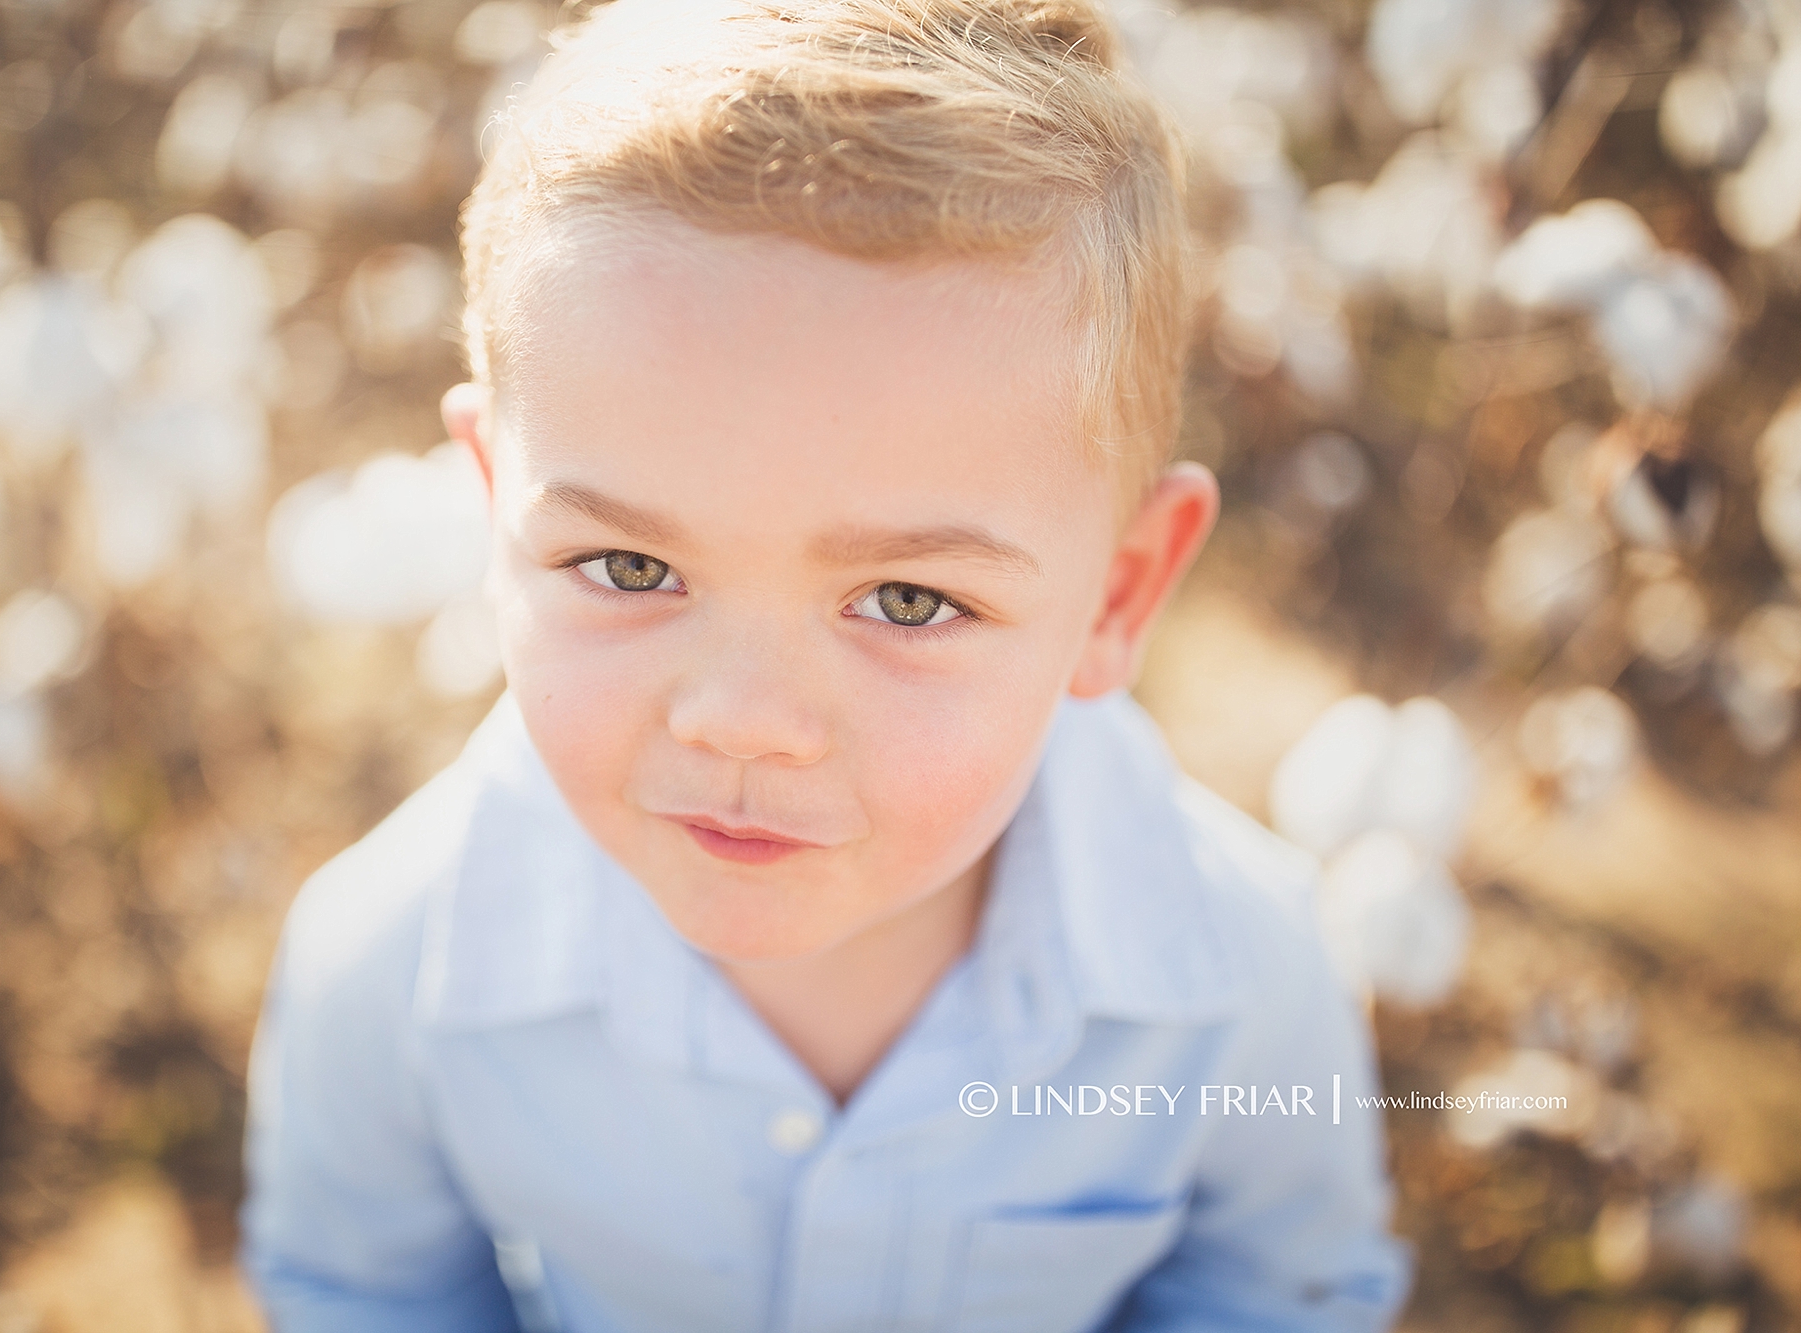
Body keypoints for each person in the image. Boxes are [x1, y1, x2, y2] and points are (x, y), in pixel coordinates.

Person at [239, 1, 1413, 1328]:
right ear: (493, 507)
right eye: (629, 569)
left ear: (1119, 593)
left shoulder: (1243, 980)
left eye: (908, 598)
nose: (746, 721)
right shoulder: (390, 965)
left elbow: (1278, 1290)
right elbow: (369, 1292)